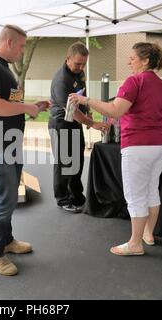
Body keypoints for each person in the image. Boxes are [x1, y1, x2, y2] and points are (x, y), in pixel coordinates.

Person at [70, 42, 162, 256]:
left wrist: (86, 100)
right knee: (150, 190)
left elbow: (115, 110)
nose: (129, 61)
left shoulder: (134, 81)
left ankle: (135, 243)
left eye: (132, 57)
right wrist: (158, 132)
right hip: (161, 144)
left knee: (135, 195)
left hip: (138, 146)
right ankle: (148, 234)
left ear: (145, 60)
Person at [0, 24, 49, 276]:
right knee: (4, 199)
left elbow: (8, 104)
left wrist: (31, 107)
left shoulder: (3, 69)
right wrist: (26, 108)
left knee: (10, 196)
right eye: (22, 45)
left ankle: (6, 240)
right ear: (8, 42)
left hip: (8, 143)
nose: (23, 51)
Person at [48, 42, 107, 213]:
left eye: (83, 64)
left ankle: (76, 195)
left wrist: (88, 112)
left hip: (74, 123)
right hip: (60, 123)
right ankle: (62, 199)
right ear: (68, 59)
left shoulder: (79, 73)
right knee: (63, 162)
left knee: (77, 160)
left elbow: (83, 94)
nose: (81, 67)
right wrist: (93, 124)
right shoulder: (61, 80)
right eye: (77, 63)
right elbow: (72, 111)